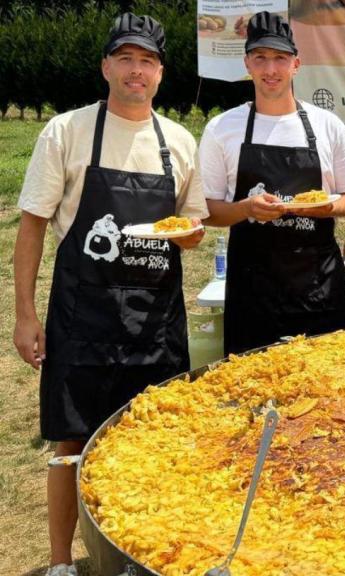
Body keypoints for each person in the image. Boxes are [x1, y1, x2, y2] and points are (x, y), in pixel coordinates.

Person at [11, 14, 207, 576]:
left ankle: (143, 555)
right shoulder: (67, 131)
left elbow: (192, 227)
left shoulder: (178, 141)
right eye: (125, 58)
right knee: (70, 447)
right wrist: (25, 316)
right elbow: (31, 227)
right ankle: (59, 564)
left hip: (155, 322)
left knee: (152, 441)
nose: (135, 70)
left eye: (146, 60)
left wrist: (189, 233)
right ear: (106, 67)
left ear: (160, 72)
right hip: (83, 316)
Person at [200, 12, 345, 355]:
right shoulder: (222, 128)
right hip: (253, 292)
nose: (270, 69)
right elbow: (208, 212)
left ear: (296, 65)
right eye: (260, 58)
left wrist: (328, 206)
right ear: (247, 64)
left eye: (280, 58)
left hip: (319, 288)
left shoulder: (327, 125)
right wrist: (245, 209)